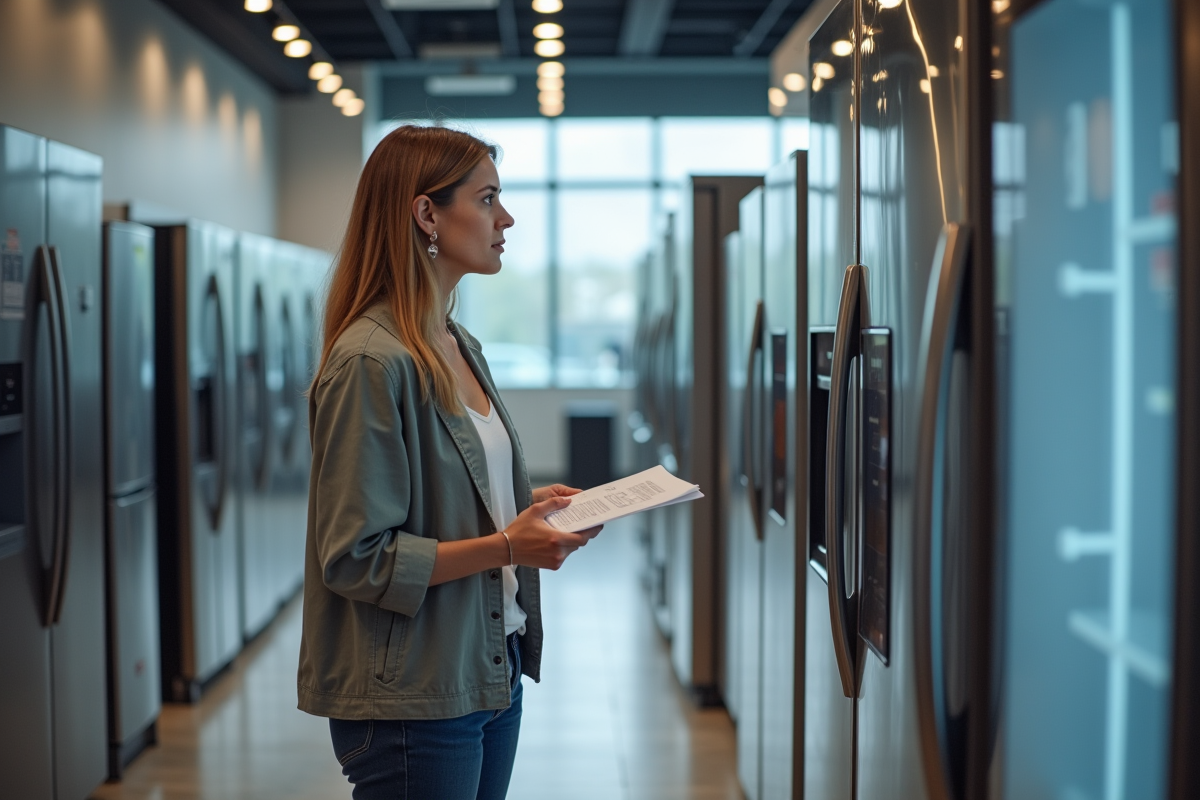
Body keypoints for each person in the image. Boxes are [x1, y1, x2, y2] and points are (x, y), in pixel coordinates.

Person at [298, 124, 602, 800]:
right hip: (415, 697)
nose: (507, 218)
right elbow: (355, 556)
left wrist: (522, 508)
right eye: (488, 198)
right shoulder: (371, 361)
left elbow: (449, 493)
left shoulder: (456, 342)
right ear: (427, 214)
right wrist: (503, 545)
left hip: (490, 668)